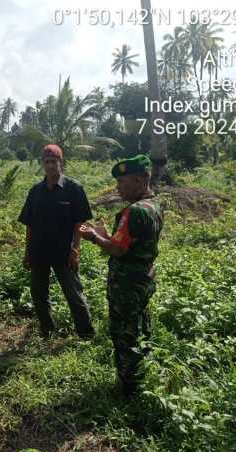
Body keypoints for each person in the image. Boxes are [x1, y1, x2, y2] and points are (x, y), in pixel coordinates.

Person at [79, 154, 163, 397]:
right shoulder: (154, 207)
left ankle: (129, 389)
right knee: (140, 327)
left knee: (125, 334)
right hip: (144, 278)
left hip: (127, 284)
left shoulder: (133, 212)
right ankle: (143, 374)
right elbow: (126, 241)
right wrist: (107, 234)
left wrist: (95, 237)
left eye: (122, 182)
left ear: (139, 180)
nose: (118, 188)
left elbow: (118, 249)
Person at [18, 144, 95, 339]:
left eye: (54, 161)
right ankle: (47, 332)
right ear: (42, 163)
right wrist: (27, 252)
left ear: (61, 162)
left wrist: (75, 250)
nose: (50, 166)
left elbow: (80, 222)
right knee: (38, 294)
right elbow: (29, 224)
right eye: (47, 162)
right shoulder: (35, 191)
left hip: (64, 253)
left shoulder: (73, 189)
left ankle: (85, 334)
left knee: (74, 294)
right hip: (39, 251)